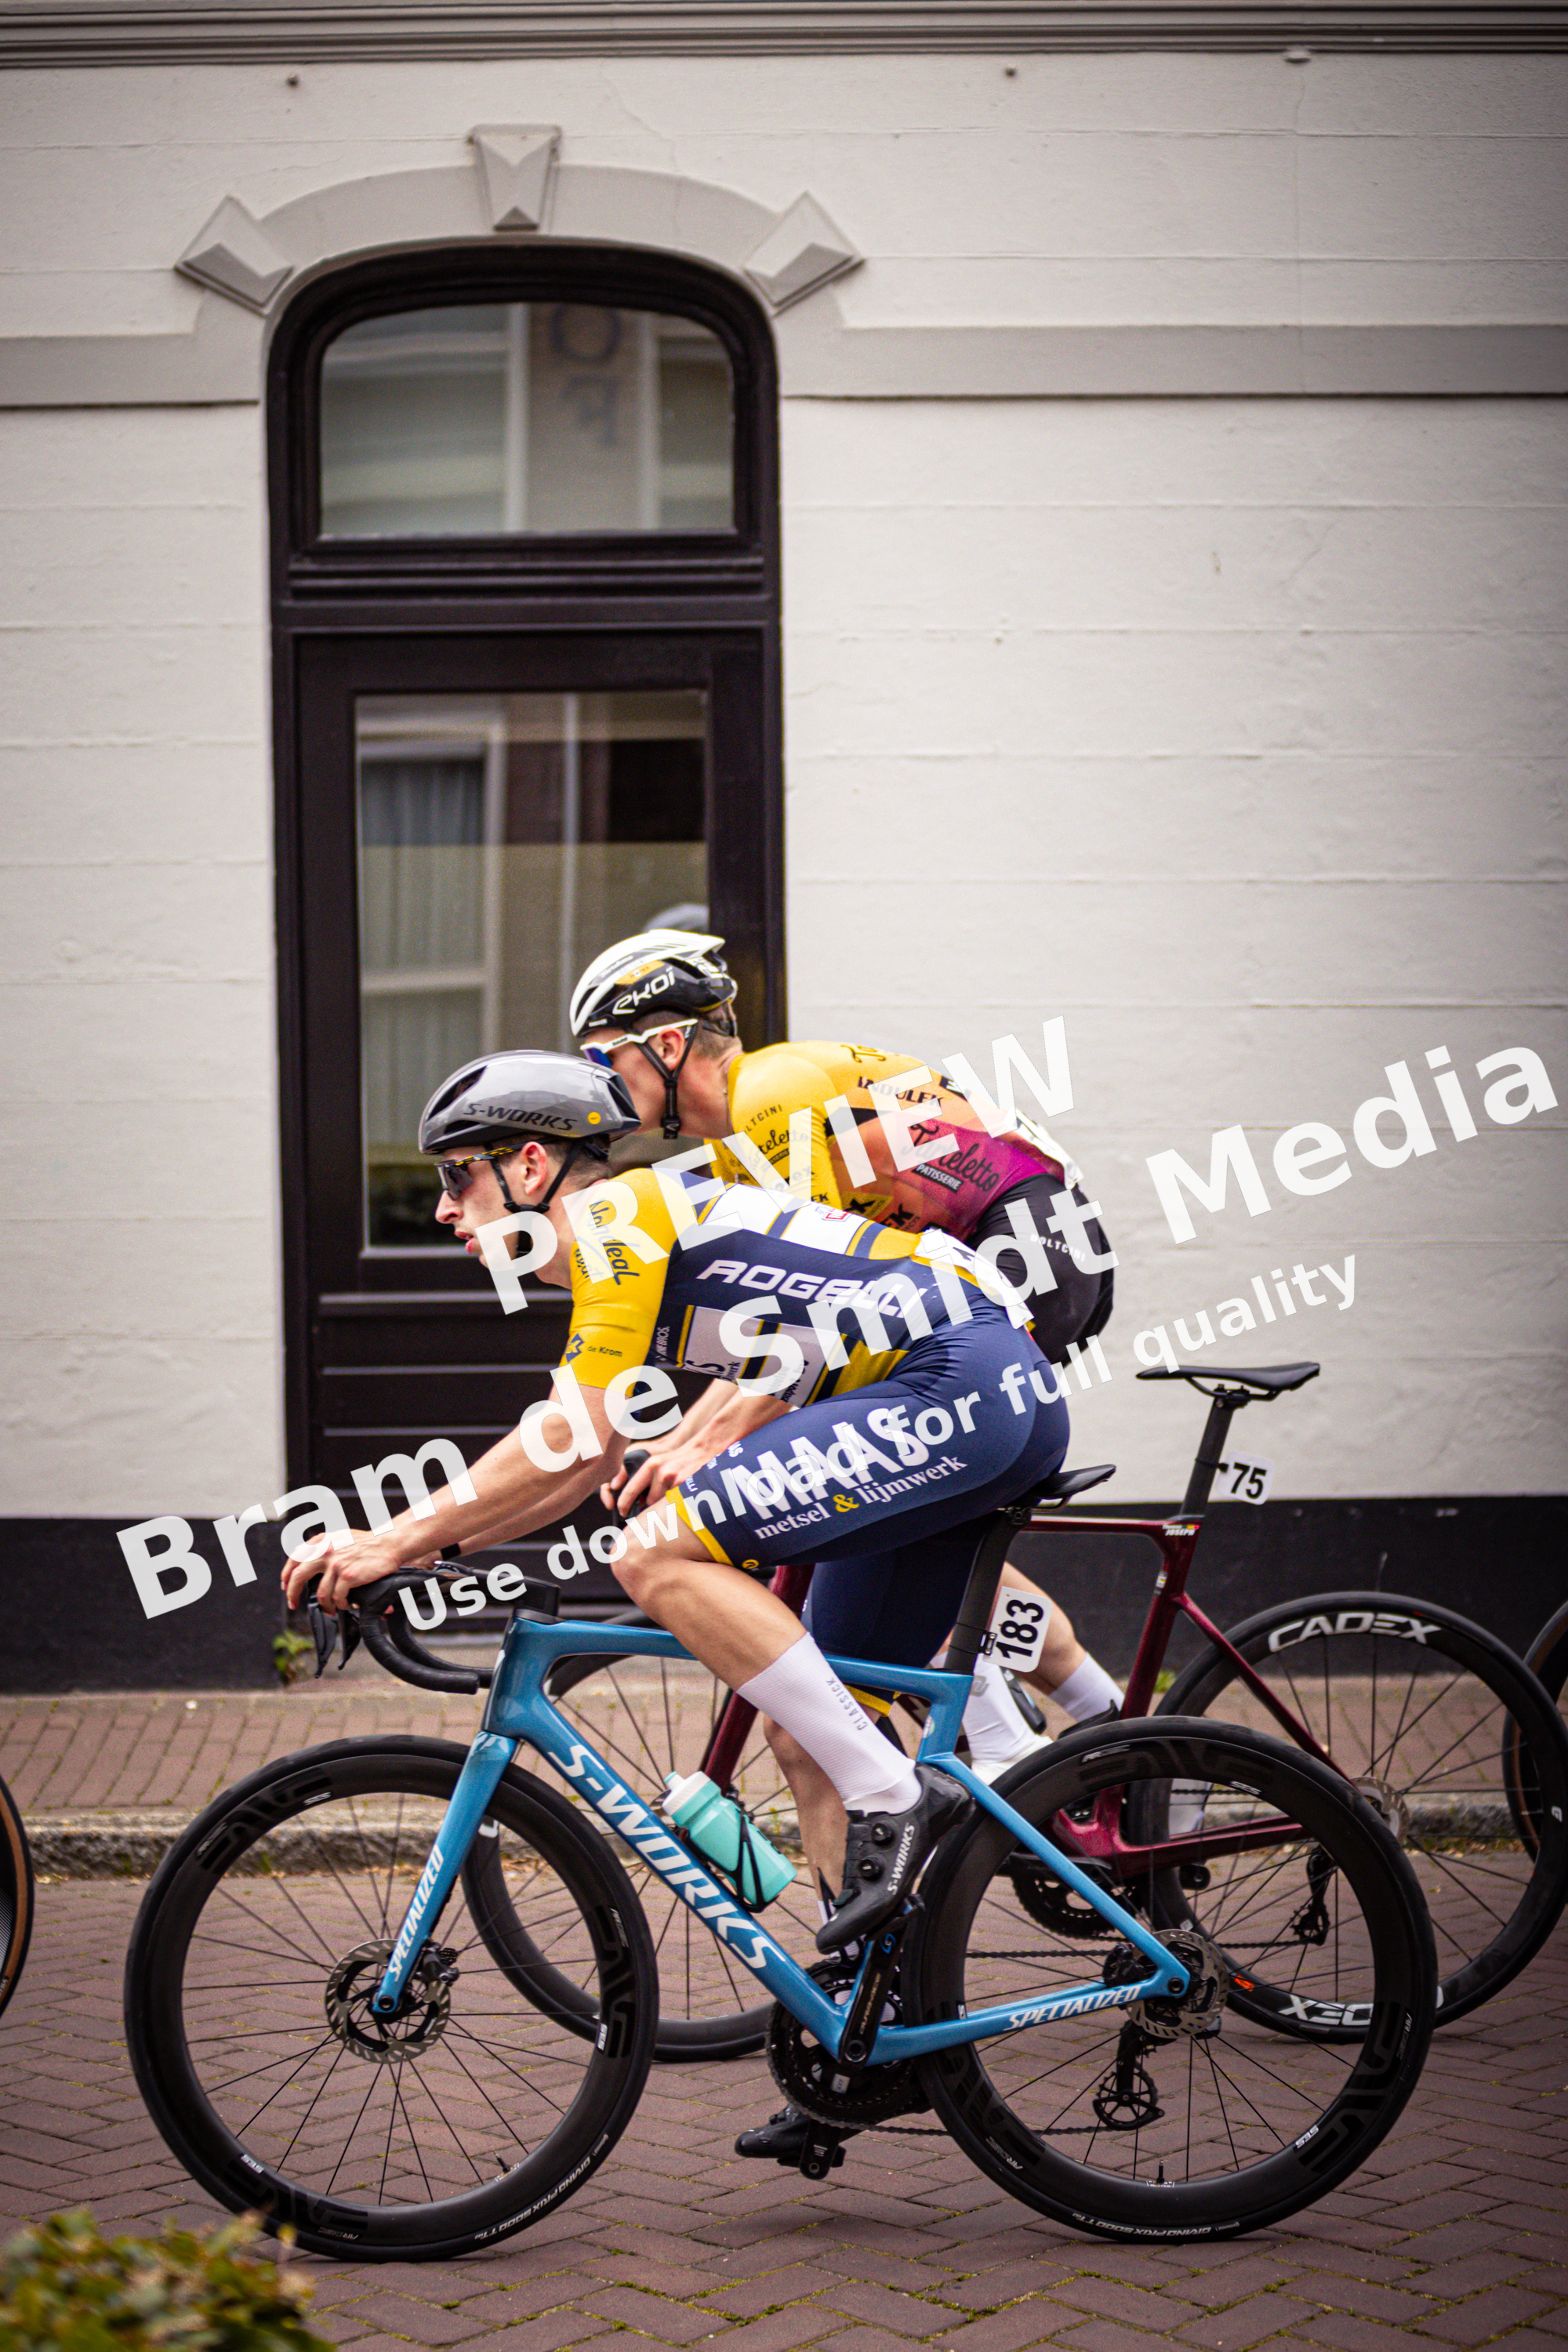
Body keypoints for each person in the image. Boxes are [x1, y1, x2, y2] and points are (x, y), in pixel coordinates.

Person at [279, 1050, 1070, 1980]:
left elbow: (568, 1438)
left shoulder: (614, 1220)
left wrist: (388, 1539)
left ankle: (898, 1792)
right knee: (809, 1736)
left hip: (958, 1382)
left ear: (529, 1167)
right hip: (980, 1393)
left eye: (458, 1177)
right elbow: (577, 1463)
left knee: (652, 1552)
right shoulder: (628, 1240)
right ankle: (876, 2013)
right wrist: (423, 1547)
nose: (445, 1209)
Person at [569, 930, 1125, 1740]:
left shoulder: (767, 1097)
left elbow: (825, 1330)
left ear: (667, 1044)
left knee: (873, 1491)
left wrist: (708, 1444)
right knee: (910, 1503)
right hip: (995, 1259)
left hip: (1027, 1244)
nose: (596, 1084)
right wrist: (686, 1440)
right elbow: (782, 1329)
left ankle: (1003, 1735)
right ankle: (1100, 1720)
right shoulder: (736, 1137)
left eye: (601, 1057)